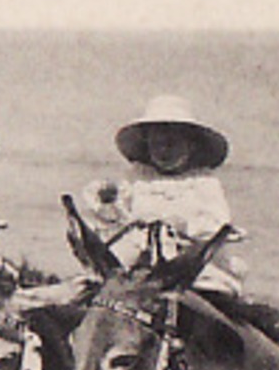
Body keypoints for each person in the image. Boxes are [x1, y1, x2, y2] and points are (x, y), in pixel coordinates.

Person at [81, 94, 245, 295]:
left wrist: (180, 226)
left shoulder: (203, 183)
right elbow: (118, 216)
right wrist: (110, 200)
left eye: (171, 144)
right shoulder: (138, 178)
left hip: (187, 264)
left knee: (208, 290)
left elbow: (213, 226)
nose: (163, 151)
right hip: (139, 259)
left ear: (190, 145)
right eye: (156, 144)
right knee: (102, 284)